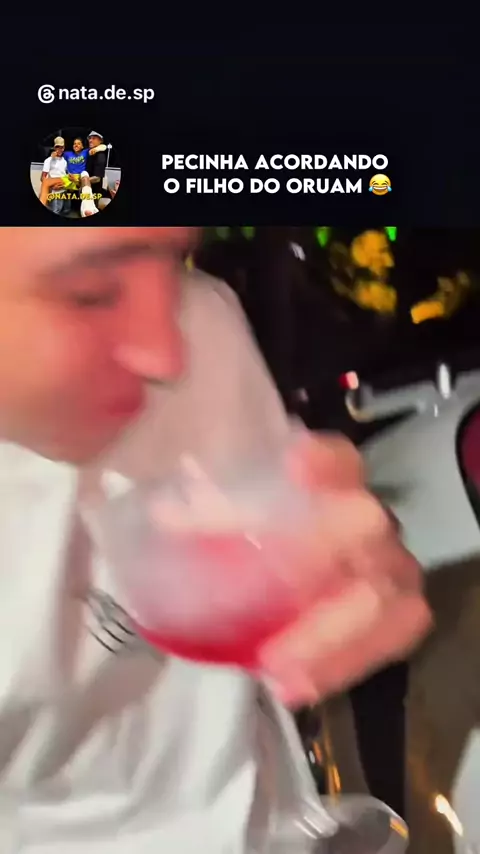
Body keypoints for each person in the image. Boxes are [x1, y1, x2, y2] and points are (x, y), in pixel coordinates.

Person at [0, 227, 430, 851]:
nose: (170, 357)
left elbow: (294, 532)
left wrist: (361, 561)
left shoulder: (203, 322)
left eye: (178, 260)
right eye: (90, 292)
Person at [85, 130, 108, 208]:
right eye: (90, 138)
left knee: (91, 210)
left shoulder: (100, 156)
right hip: (87, 189)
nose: (90, 140)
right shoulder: (91, 152)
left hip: (94, 192)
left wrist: (81, 181)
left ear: (100, 141)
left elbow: (97, 178)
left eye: (94, 138)